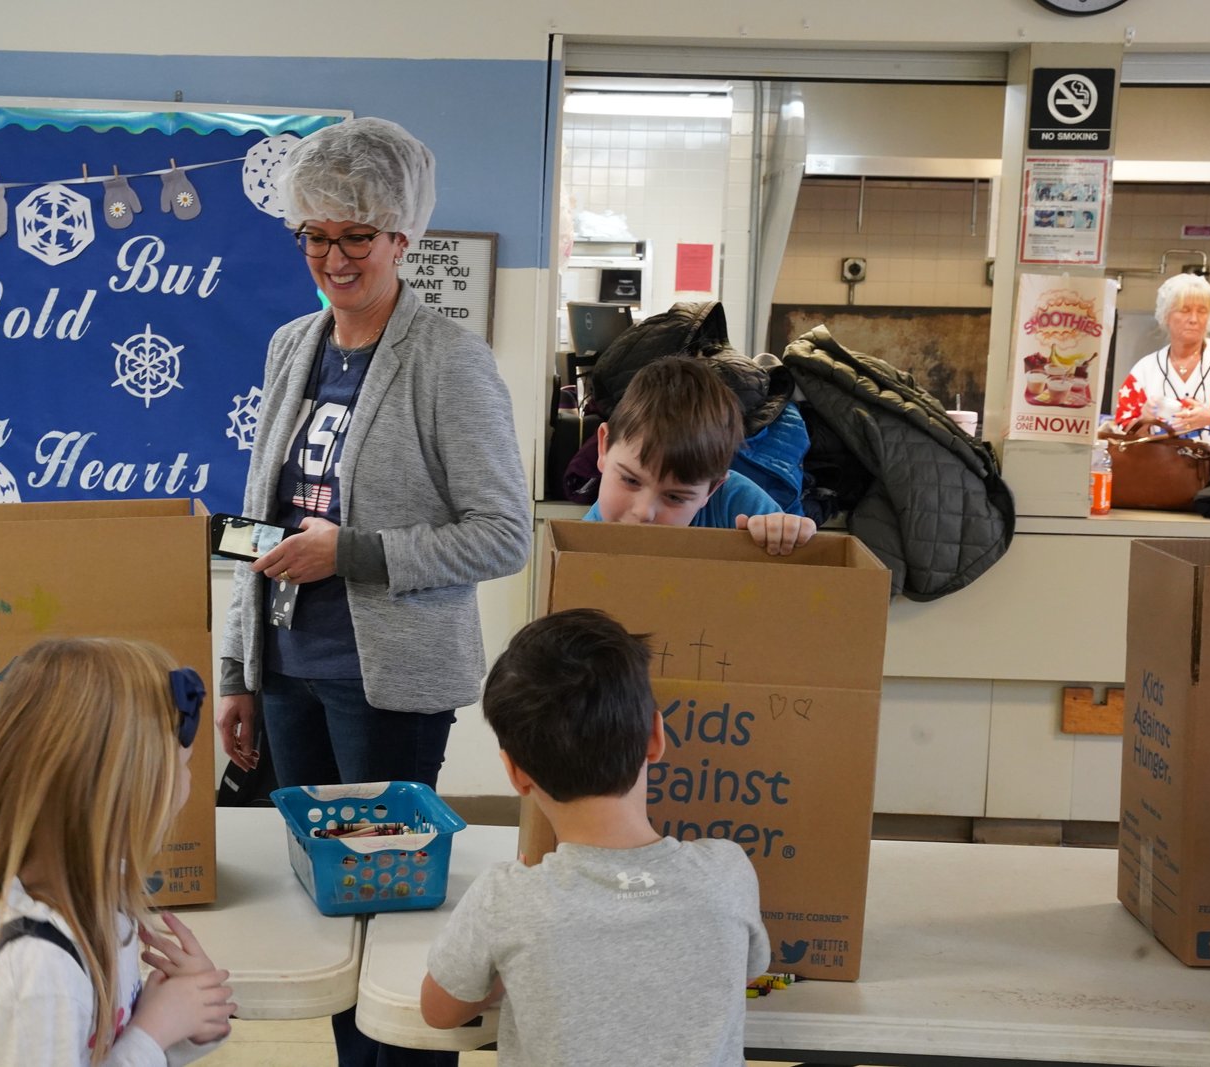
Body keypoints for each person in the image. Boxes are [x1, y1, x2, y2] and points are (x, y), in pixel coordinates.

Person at [217, 114, 530, 1067]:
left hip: (387, 682)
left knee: (391, 923)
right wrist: (237, 666)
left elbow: (503, 533)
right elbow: (258, 519)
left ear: (404, 237)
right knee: (320, 909)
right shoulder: (290, 347)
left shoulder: (449, 362)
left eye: (357, 235)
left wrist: (349, 552)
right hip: (287, 670)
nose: (333, 256)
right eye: (315, 234)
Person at [421, 608, 770, 1065]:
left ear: (515, 773)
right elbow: (749, 970)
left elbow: (438, 1012)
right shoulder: (727, 872)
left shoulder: (507, 900)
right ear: (656, 737)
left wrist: (508, 961)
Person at [0, 637, 235, 1067]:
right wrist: (157, 1028)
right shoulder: (38, 971)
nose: (189, 785)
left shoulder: (101, 892)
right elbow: (131, 1047)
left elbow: (106, 1048)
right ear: (127, 792)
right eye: (182, 766)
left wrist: (193, 1019)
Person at [583, 355, 817, 554]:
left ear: (712, 488)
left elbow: (803, 572)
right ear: (604, 447)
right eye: (631, 480)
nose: (644, 512)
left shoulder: (741, 502)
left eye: (675, 497)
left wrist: (787, 534)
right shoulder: (588, 541)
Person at [1115, 272, 1210, 448]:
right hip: (1160, 471)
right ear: (1166, 316)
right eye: (1184, 310)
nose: (1194, 319)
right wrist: (1145, 419)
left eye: (1202, 311)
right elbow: (1127, 434)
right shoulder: (1144, 371)